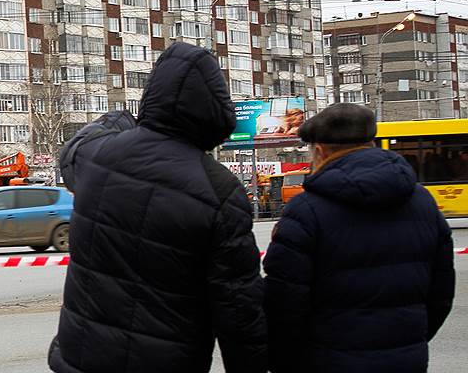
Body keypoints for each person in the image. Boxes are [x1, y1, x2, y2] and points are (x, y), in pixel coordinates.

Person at [49, 42, 266, 373]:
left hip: (80, 358)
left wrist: (121, 120)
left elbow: (73, 150)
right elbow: (238, 308)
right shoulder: (219, 190)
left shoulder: (98, 157)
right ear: (214, 110)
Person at [264, 103, 455, 373]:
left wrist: (284, 360)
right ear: (371, 143)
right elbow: (441, 292)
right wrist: (409, 342)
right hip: (406, 360)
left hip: (325, 360)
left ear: (319, 151)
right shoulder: (422, 201)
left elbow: (284, 302)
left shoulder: (305, 210)